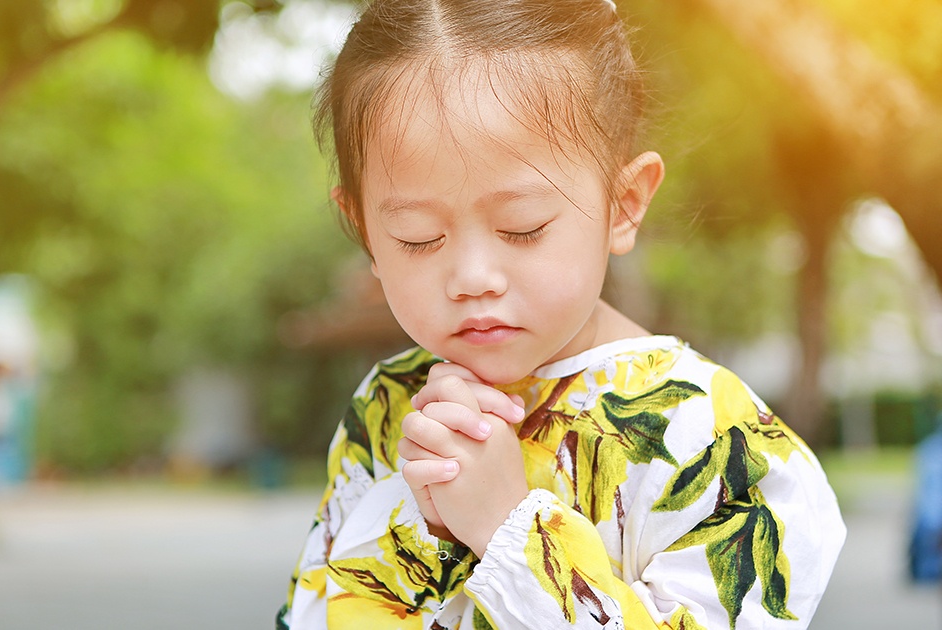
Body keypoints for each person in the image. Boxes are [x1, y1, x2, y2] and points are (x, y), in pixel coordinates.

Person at [278, 0, 845, 627]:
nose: (471, 279)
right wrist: (422, 528)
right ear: (364, 231)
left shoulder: (718, 442)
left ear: (623, 205)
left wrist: (507, 530)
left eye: (522, 228)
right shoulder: (387, 408)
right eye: (417, 238)